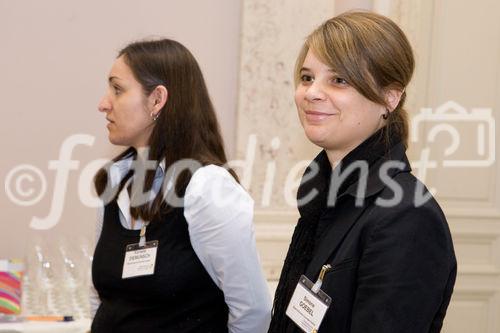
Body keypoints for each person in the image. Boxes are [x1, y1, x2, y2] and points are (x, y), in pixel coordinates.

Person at [269, 11, 456, 333]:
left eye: (339, 80)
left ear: (390, 97)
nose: (311, 92)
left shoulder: (407, 216)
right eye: (307, 77)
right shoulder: (323, 196)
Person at [90, 38, 271, 333]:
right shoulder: (116, 181)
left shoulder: (207, 187)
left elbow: (253, 311)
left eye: (117, 89)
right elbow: (102, 299)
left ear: (157, 100)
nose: (103, 103)